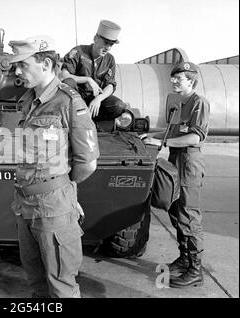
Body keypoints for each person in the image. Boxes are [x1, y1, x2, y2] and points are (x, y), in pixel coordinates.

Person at [8, 35, 99, 298]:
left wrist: (65, 190)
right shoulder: (27, 101)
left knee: (61, 286)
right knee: (36, 283)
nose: (17, 71)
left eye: (23, 65)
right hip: (25, 205)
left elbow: (88, 162)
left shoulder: (68, 102)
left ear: (46, 64)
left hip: (53, 208)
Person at [142, 62, 210, 288]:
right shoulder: (177, 103)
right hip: (175, 161)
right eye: (173, 78)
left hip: (189, 162)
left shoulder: (199, 103)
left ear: (191, 80)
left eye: (178, 78)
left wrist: (162, 141)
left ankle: (195, 269)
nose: (173, 81)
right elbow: (171, 131)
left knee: (189, 215)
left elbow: (195, 137)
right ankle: (184, 258)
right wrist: (149, 136)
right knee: (175, 210)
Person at [60, 20, 127, 121]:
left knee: (119, 106)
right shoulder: (78, 52)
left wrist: (98, 99)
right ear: (95, 38)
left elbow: (110, 85)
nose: (108, 48)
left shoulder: (109, 59)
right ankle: (72, 120)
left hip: (94, 100)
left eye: (111, 44)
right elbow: (63, 76)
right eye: (105, 43)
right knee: (68, 83)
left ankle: (91, 120)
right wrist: (87, 79)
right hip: (77, 98)